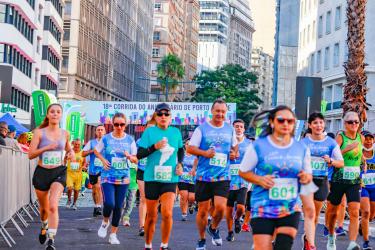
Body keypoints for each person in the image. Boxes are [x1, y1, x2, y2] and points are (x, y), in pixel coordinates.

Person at [239, 105, 312, 250]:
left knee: (284, 246)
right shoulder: (259, 146)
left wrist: (305, 177)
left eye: (290, 121)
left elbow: (308, 176)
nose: (286, 124)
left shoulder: (301, 148)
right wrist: (259, 179)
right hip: (263, 206)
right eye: (281, 120)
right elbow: (243, 171)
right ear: (272, 122)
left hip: (290, 206)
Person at [187, 99, 238, 250]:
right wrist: (205, 153)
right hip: (204, 176)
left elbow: (235, 148)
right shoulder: (201, 129)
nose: (220, 114)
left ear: (226, 113)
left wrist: (234, 153)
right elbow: (190, 149)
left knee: (221, 208)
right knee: (202, 210)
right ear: (212, 111)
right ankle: (202, 239)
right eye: (217, 111)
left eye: (223, 112)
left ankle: (213, 228)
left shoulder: (230, 129)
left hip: (223, 176)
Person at [137, 103, 184, 250]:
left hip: (169, 179)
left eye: (166, 114)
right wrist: (154, 147)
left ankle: (164, 245)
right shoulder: (149, 133)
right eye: (160, 114)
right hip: (151, 178)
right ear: (155, 117)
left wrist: (180, 163)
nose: (163, 117)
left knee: (167, 213)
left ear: (170, 117)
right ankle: (148, 245)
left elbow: (181, 150)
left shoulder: (176, 132)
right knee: (151, 216)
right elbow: (139, 154)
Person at [28, 103, 75, 250]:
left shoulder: (65, 133)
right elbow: (30, 154)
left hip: (59, 172)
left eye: (58, 112)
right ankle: (44, 225)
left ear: (61, 115)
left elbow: (68, 147)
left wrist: (71, 153)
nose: (55, 114)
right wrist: (46, 147)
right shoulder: (39, 133)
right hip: (42, 172)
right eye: (52, 112)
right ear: (48, 115)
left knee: (53, 205)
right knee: (44, 210)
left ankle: (51, 240)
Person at [301, 112, 344, 250]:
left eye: (320, 122)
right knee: (310, 212)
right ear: (310, 125)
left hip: (322, 181)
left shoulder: (331, 143)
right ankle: (311, 245)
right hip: (307, 181)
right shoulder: (303, 143)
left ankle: (307, 238)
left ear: (324, 124)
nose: (318, 125)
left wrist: (331, 160)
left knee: (315, 215)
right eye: (315, 123)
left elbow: (341, 163)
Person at [94, 112, 138, 245]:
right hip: (108, 176)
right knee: (109, 203)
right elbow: (96, 150)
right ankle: (105, 221)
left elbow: (135, 158)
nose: (119, 127)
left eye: (122, 124)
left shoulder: (130, 140)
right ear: (112, 125)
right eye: (116, 124)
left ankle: (113, 234)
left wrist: (130, 157)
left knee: (119, 206)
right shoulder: (106, 138)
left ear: (126, 125)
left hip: (124, 177)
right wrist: (102, 160)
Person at [326, 111, 365, 250]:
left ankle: (352, 243)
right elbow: (332, 159)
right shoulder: (340, 138)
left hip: (354, 181)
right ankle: (331, 237)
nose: (354, 124)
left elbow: (359, 155)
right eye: (350, 122)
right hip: (339, 180)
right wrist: (346, 149)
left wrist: (363, 162)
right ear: (345, 124)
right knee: (333, 212)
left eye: (356, 122)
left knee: (355, 211)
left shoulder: (361, 138)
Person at [226, 119, 251, 242]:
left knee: (241, 207)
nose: (239, 128)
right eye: (236, 126)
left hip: (243, 180)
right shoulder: (227, 142)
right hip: (228, 179)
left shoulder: (249, 144)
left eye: (241, 126)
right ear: (232, 128)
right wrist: (228, 156)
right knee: (229, 209)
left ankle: (238, 219)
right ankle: (230, 232)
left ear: (244, 129)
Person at [136, 114, 156, 236]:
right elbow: (135, 155)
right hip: (142, 171)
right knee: (143, 198)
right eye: (148, 128)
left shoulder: (160, 143)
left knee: (153, 200)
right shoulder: (139, 142)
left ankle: (150, 221)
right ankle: (142, 226)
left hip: (155, 172)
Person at [82, 125, 106, 217]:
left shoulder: (107, 142)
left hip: (104, 169)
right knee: (94, 190)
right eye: (98, 130)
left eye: (101, 130)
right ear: (96, 132)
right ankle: (96, 206)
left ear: (104, 132)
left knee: (98, 186)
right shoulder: (91, 142)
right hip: (93, 169)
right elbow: (83, 153)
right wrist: (93, 151)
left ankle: (99, 206)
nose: (100, 131)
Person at [359, 130, 375, 250]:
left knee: (371, 215)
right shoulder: (357, 153)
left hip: (374, 187)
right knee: (366, 212)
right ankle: (366, 242)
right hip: (362, 187)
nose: (368, 141)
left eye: (370, 139)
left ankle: (361, 224)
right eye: (366, 139)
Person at [178, 139, 197, 221]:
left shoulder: (196, 156)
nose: (188, 145)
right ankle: (184, 214)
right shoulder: (181, 155)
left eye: (190, 144)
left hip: (193, 179)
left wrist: (196, 171)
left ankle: (191, 204)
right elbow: (177, 164)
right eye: (186, 144)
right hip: (182, 179)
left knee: (191, 198)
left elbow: (199, 166)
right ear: (184, 145)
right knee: (184, 196)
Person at [65, 139, 86, 210]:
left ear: (80, 145)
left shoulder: (82, 152)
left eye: (78, 144)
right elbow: (65, 158)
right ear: (73, 144)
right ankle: (69, 199)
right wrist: (65, 163)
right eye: (76, 144)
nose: (77, 146)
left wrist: (82, 167)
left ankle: (74, 203)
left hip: (78, 174)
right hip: (70, 173)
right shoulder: (70, 151)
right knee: (70, 188)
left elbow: (84, 163)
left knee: (77, 190)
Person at [122, 161, 139, 226]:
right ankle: (118, 215)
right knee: (121, 199)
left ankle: (126, 217)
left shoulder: (138, 151)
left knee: (131, 200)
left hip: (134, 176)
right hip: (124, 173)